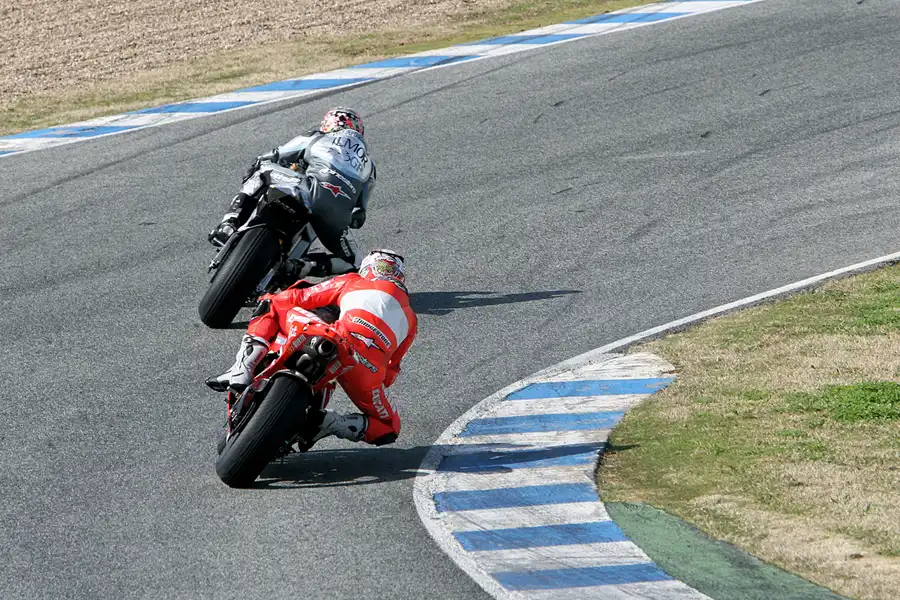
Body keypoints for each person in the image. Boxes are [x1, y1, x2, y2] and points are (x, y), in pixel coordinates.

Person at [206, 250, 417, 447]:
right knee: (390, 428)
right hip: (365, 370)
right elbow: (390, 373)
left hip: (332, 336)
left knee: (271, 302)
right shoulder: (411, 320)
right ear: (400, 276)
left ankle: (244, 365)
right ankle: (331, 422)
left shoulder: (352, 281)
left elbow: (297, 298)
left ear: (368, 268)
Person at [208, 107, 376, 277]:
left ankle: (229, 224)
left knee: (260, 170)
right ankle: (303, 266)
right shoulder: (370, 167)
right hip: (338, 215)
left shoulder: (318, 137)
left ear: (328, 124)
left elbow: (273, 156)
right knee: (355, 263)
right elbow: (358, 217)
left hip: (307, 189)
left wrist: (252, 171)